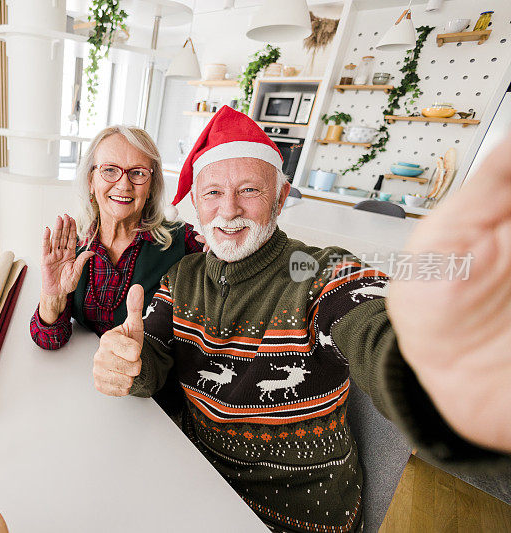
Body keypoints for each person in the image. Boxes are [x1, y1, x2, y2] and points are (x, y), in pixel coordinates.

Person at [91, 106, 511, 532]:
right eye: (213, 192)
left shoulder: (318, 271)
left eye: (250, 190)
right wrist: (130, 362)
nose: (229, 209)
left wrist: (446, 369)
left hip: (298, 515)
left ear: (280, 195)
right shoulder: (183, 276)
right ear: (195, 202)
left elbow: (373, 328)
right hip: (196, 484)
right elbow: (155, 357)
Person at [30, 125, 203, 350]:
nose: (123, 184)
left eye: (138, 172)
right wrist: (52, 295)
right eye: (110, 170)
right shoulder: (73, 246)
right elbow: (50, 340)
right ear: (91, 181)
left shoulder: (184, 242)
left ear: (151, 186)